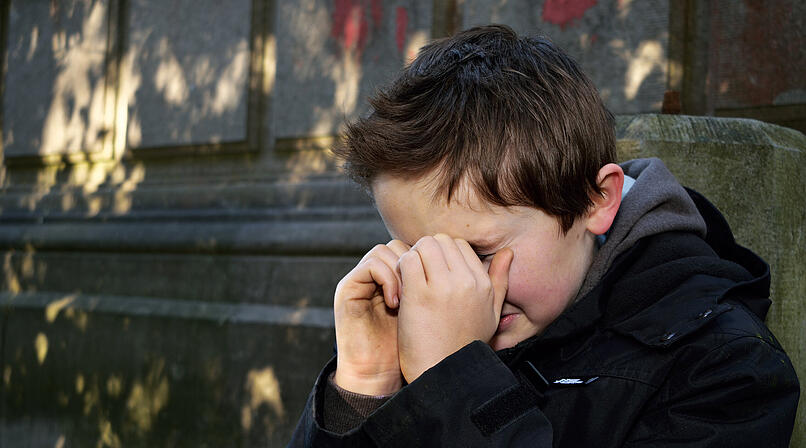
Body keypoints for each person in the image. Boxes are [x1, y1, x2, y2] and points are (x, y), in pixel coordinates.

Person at [289, 25, 799, 447]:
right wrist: (363, 387)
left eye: (479, 251)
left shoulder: (724, 368)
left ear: (596, 201)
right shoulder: (422, 337)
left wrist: (455, 381)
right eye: (419, 255)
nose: (455, 284)